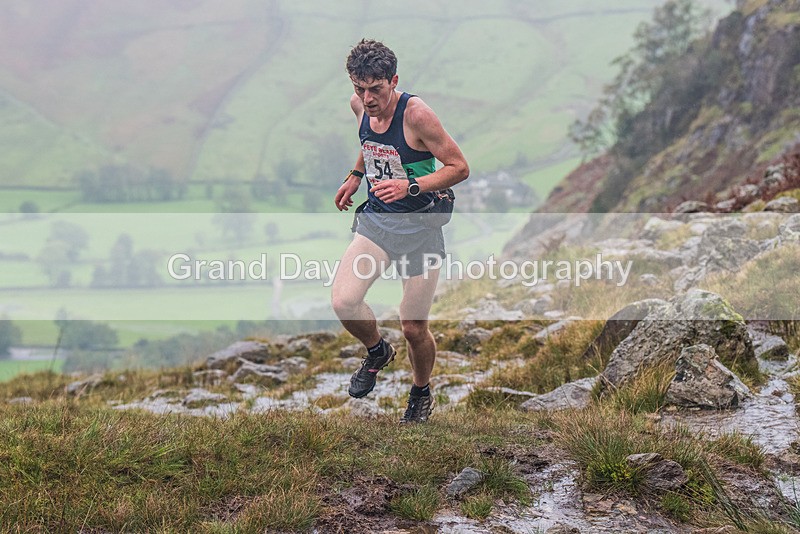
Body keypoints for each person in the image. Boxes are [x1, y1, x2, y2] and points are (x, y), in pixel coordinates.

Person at [331, 39, 469, 423]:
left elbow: (459, 167)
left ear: (394, 81)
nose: (368, 98)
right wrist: (356, 175)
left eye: (376, 89)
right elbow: (370, 138)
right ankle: (376, 350)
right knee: (344, 302)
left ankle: (421, 390)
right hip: (378, 219)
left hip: (422, 224)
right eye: (360, 88)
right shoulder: (359, 105)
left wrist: (410, 186)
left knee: (413, 327)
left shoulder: (417, 115)